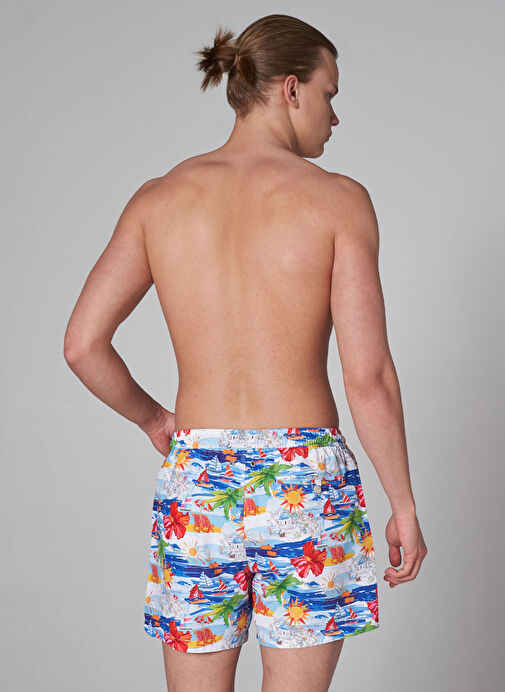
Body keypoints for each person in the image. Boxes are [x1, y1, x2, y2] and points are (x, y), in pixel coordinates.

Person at [63, 13, 427, 692]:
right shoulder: (338, 201)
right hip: (304, 481)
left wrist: (154, 420)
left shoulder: (159, 199)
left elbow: (82, 345)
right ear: (290, 89)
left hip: (197, 481)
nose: (334, 117)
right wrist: (401, 502)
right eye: (329, 94)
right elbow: (368, 377)